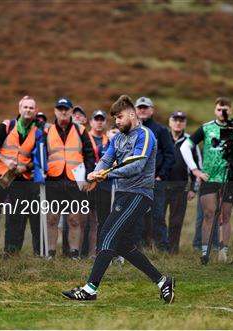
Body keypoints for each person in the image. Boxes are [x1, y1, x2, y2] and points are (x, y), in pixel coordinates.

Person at [62, 95, 175, 304]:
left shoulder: (145, 135)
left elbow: (136, 166)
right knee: (123, 245)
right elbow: (106, 158)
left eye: (120, 117)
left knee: (107, 233)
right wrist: (96, 172)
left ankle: (90, 289)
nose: (117, 122)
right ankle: (163, 281)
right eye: (115, 118)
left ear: (132, 114)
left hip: (140, 194)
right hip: (124, 194)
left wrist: (106, 174)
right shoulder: (118, 138)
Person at [0, 96, 44, 256]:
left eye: (31, 108)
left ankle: (10, 251)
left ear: (35, 111)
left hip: (20, 179)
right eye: (25, 107)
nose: (28, 110)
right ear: (19, 109)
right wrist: (5, 160)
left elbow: (38, 158)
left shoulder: (38, 132)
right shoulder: (7, 125)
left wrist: (25, 167)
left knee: (15, 215)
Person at [180, 97, 233, 263]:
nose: (222, 112)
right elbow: (185, 146)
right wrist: (195, 170)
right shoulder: (206, 128)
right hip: (209, 178)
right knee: (209, 214)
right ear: (214, 110)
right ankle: (206, 252)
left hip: (228, 178)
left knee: (225, 215)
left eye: (225, 109)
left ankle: (223, 251)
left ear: (230, 110)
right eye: (219, 109)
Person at [44, 98, 95, 259]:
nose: (63, 111)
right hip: (53, 180)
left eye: (66, 109)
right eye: (60, 108)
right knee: (52, 218)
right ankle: (51, 253)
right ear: (55, 111)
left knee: (74, 219)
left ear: (72, 111)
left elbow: (89, 155)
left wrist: (88, 176)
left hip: (75, 181)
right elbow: (40, 155)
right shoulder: (47, 131)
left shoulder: (80, 130)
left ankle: (74, 254)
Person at [135, 96, 174, 251]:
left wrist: (161, 176)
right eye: (140, 108)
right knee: (136, 215)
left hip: (155, 181)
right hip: (136, 181)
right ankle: (137, 247)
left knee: (158, 215)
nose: (143, 110)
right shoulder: (132, 130)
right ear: (135, 111)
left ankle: (162, 248)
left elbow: (170, 155)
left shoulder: (161, 130)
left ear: (152, 110)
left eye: (146, 107)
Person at [165, 111, 197, 254]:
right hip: (161, 185)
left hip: (181, 187)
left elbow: (196, 165)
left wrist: (193, 189)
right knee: (157, 218)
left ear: (184, 123)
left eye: (181, 120)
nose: (178, 123)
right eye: (175, 119)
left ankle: (173, 250)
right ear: (169, 122)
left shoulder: (190, 141)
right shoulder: (162, 138)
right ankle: (158, 247)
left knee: (176, 221)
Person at [81, 110, 110, 258]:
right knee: (82, 219)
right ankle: (79, 252)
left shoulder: (109, 140)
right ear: (91, 122)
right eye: (96, 119)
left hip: (104, 186)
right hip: (87, 183)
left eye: (102, 119)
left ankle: (94, 253)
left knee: (98, 220)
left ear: (105, 122)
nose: (99, 122)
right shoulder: (84, 137)